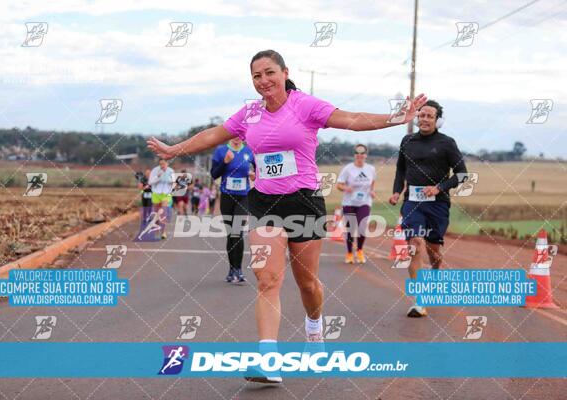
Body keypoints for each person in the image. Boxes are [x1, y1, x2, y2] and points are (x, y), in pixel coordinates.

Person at [148, 49, 426, 384]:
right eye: (256, 76)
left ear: (284, 73)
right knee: (267, 279)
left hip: (303, 202)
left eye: (269, 73)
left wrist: (396, 117)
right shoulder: (249, 113)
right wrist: (173, 149)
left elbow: (352, 120)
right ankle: (268, 361)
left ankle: (314, 329)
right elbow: (214, 135)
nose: (263, 81)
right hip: (264, 202)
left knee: (306, 283)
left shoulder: (305, 105)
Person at [389, 100, 467, 318]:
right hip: (412, 202)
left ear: (437, 120)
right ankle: (419, 300)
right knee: (415, 243)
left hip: (438, 204)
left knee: (434, 251)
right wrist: (396, 191)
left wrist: (439, 188)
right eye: (421, 115)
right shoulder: (407, 141)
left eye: (429, 116)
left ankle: (435, 270)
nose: (424, 119)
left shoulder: (447, 143)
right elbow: (400, 170)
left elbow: (462, 174)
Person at [210, 137, 254, 284]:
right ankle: (232, 269)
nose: (237, 138)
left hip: (243, 197)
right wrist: (225, 162)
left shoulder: (249, 151)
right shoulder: (221, 151)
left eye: (240, 135)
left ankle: (239, 270)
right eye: (234, 134)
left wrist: (255, 175)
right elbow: (214, 174)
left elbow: (260, 171)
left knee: (237, 231)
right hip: (227, 197)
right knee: (231, 234)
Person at [336, 144, 376, 264]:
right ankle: (349, 253)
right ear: (354, 155)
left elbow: (372, 182)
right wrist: (345, 188)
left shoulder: (371, 169)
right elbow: (339, 185)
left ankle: (359, 250)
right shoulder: (348, 169)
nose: (360, 156)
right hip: (349, 202)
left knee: (362, 227)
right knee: (351, 228)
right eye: (357, 154)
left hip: (365, 201)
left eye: (362, 154)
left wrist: (372, 191)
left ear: (366, 155)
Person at [148, 158, 174, 239]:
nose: (162, 166)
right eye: (160, 164)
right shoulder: (155, 170)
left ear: (167, 164)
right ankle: (156, 231)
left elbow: (174, 182)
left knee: (163, 213)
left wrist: (168, 180)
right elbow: (150, 182)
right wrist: (158, 177)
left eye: (163, 164)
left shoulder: (171, 171)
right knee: (156, 214)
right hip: (156, 193)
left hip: (166, 194)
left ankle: (163, 232)